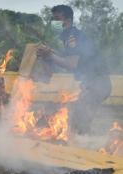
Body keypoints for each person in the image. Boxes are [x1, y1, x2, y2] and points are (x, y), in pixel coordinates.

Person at [37, 5, 112, 135]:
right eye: (53, 19)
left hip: (98, 84)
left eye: (57, 19)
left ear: (68, 20)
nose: (54, 23)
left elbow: (71, 64)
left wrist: (49, 55)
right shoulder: (65, 39)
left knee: (78, 121)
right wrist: (46, 55)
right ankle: (84, 143)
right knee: (74, 119)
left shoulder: (74, 37)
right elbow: (57, 63)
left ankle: (88, 148)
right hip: (89, 86)